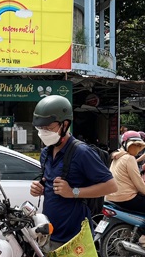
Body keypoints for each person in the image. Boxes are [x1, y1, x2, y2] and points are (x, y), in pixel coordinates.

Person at [29, 95, 117, 248]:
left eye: (49, 128)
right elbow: (50, 183)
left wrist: (73, 192)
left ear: (65, 124)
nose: (43, 133)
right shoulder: (46, 152)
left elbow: (111, 186)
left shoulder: (81, 152)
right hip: (49, 232)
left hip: (74, 236)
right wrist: (40, 188)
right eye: (40, 128)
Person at [105, 130, 145, 248]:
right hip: (126, 198)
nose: (136, 148)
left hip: (111, 197)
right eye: (133, 145)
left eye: (138, 145)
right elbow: (138, 182)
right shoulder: (129, 158)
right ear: (125, 144)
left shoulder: (117, 156)